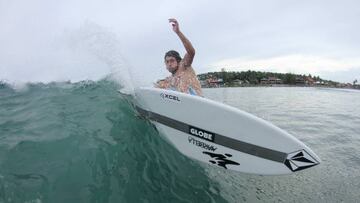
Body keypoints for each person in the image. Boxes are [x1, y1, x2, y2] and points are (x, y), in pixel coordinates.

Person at [155, 18, 203, 97]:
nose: (169, 64)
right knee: (160, 84)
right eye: (167, 62)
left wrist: (178, 32)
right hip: (183, 103)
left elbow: (191, 52)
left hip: (197, 99)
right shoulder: (170, 79)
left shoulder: (184, 66)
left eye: (172, 61)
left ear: (178, 61)